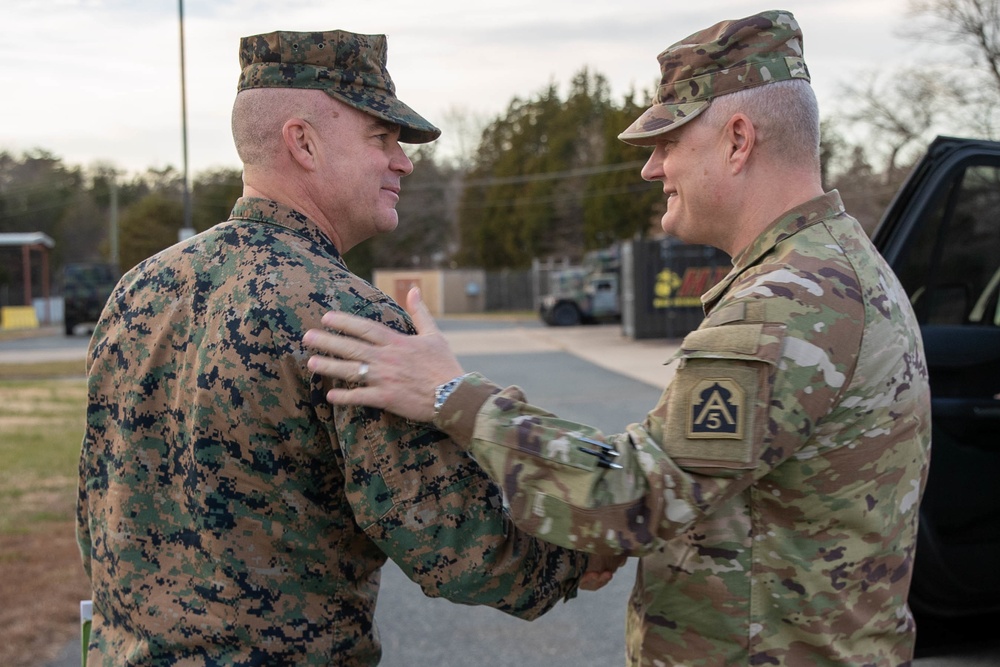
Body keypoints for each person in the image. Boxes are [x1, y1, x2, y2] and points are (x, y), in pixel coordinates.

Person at [302, 10, 932, 666]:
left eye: (669, 141)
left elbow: (634, 492)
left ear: (738, 139)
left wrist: (451, 394)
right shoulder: (835, 267)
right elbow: (690, 479)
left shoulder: (792, 302)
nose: (651, 169)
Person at [76, 29, 608, 667]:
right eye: (379, 139)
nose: (403, 162)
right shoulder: (348, 320)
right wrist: (584, 555)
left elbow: (97, 514)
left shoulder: (138, 291)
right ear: (302, 142)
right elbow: (461, 548)